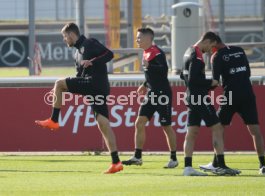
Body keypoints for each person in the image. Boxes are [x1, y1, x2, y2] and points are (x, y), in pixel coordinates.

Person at [35, 22, 123, 174]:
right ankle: (116, 162)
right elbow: (78, 77)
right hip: (96, 88)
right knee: (103, 124)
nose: (64, 40)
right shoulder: (76, 53)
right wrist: (60, 90)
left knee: (59, 83)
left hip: (96, 83)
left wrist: (93, 62)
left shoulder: (90, 43)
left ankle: (54, 120)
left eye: (64, 37)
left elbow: (109, 54)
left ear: (70, 34)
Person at [199, 34, 265, 175]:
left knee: (218, 128)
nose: (208, 50)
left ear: (213, 43)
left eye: (208, 46)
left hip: (230, 95)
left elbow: (215, 81)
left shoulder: (216, 56)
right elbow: (248, 72)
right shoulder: (239, 50)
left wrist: (199, 88)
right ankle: (262, 166)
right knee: (255, 131)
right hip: (248, 93)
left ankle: (215, 163)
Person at [180, 32, 238, 176]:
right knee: (217, 128)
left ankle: (187, 167)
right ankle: (221, 166)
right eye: (211, 46)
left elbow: (183, 76)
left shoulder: (188, 51)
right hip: (199, 97)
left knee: (192, 132)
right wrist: (210, 82)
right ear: (207, 41)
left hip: (190, 96)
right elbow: (194, 79)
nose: (211, 50)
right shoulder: (198, 56)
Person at [122, 28, 178, 168]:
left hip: (162, 94)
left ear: (148, 38)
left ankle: (174, 159)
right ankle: (138, 157)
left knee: (166, 126)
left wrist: (150, 66)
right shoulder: (146, 53)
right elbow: (152, 74)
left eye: (139, 38)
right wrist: (144, 84)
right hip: (151, 93)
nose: (137, 40)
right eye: (137, 37)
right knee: (139, 123)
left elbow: (163, 70)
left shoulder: (156, 52)